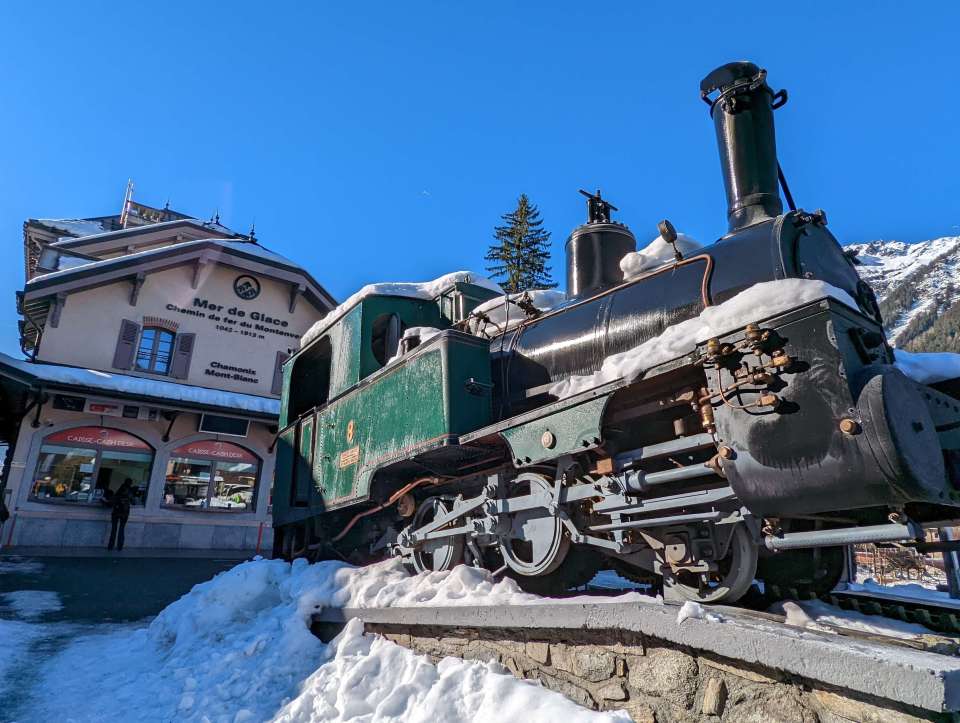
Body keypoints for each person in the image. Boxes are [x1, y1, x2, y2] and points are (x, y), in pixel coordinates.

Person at [107, 478, 134, 551]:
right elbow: (133, 502)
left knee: (114, 529)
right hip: (125, 513)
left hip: (116, 512)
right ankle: (120, 546)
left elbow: (113, 499)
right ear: (130, 483)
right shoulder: (130, 491)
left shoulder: (120, 489)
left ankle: (110, 546)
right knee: (121, 529)